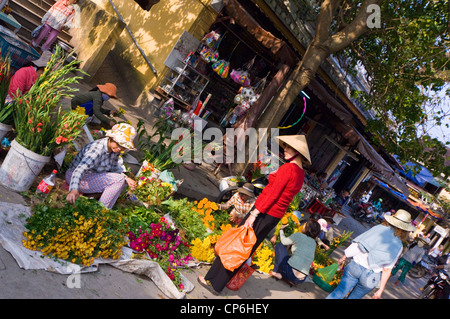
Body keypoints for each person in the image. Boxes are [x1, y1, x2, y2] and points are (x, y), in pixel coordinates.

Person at [197, 134, 311, 294]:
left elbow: (272, 194)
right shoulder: (300, 174)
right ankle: (218, 282)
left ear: (298, 151)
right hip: (273, 216)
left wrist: (254, 214)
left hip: (264, 211)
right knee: (245, 248)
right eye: (285, 146)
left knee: (237, 245)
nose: (284, 149)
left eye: (288, 147)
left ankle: (213, 282)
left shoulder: (288, 168)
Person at [326, 209, 416, 299]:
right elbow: (387, 269)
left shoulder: (378, 228)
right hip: (371, 277)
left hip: (355, 267)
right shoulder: (399, 246)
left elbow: (358, 244)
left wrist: (344, 257)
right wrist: (380, 289)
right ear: (405, 229)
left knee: (338, 294)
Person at [65, 123, 137, 209]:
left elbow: (114, 168)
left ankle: (105, 209)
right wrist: (74, 189)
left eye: (124, 146)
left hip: (91, 177)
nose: (120, 148)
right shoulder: (97, 149)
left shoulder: (114, 151)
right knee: (118, 180)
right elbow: (79, 170)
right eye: (119, 144)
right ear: (111, 138)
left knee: (123, 183)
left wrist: (126, 178)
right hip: (77, 177)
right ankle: (100, 210)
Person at [269, 219, 321, 285]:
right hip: (301, 279)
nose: (303, 225)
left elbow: (284, 241)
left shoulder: (299, 235)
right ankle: (289, 279)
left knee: (280, 246)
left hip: (290, 273)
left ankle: (277, 272)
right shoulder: (314, 243)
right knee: (290, 258)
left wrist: (281, 230)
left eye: (305, 224)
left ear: (307, 228)